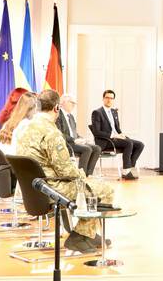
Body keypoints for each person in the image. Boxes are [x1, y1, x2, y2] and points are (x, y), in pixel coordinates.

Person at [18, 90, 120, 255]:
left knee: (90, 186)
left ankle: (88, 233)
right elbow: (66, 170)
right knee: (106, 190)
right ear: (57, 108)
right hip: (53, 188)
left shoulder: (25, 128)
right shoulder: (51, 133)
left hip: (34, 188)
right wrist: (82, 175)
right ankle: (80, 236)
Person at [90, 89, 144, 180]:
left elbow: (117, 129)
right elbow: (96, 132)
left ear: (113, 100)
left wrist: (122, 134)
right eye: (107, 97)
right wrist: (114, 135)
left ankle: (129, 167)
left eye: (111, 98)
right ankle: (126, 171)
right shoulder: (97, 112)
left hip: (116, 139)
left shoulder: (114, 112)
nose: (109, 100)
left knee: (139, 145)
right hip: (105, 141)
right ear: (103, 99)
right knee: (128, 143)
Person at [55, 93, 100, 176]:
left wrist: (81, 138)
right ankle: (81, 175)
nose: (74, 105)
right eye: (72, 103)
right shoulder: (58, 115)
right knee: (87, 149)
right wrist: (74, 140)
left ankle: (88, 174)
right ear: (63, 102)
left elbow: (74, 132)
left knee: (97, 148)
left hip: (74, 141)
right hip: (66, 143)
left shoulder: (71, 116)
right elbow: (59, 133)